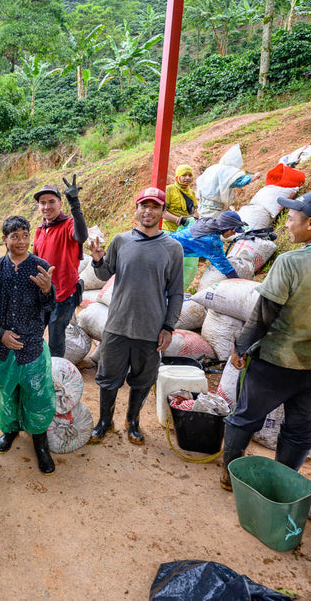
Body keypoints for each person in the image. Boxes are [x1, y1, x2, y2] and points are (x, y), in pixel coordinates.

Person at [221, 191, 311, 490]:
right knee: (300, 430)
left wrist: (241, 346)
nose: (287, 225)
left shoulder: (291, 262)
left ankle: (229, 476)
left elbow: (264, 312)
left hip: (275, 361)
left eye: (291, 219)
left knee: (245, 418)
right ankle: (281, 484)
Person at [87, 187, 184, 445]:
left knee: (142, 381)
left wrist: (168, 327)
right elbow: (104, 275)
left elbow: (176, 293)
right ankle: (105, 422)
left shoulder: (173, 248)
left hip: (150, 330)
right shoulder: (121, 241)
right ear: (137, 209)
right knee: (108, 378)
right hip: (117, 325)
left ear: (163, 211)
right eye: (144, 205)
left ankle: (133, 421)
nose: (148, 211)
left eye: (155, 206)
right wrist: (97, 260)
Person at [0, 215, 57, 474]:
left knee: (36, 395)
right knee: (5, 394)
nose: (21, 241)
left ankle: (41, 445)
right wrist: (0, 334)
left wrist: (48, 291)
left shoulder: (40, 266)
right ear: (5, 239)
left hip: (31, 347)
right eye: (15, 236)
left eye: (25, 235)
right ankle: (10, 431)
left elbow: (49, 308)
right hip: (2, 348)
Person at [32, 176, 88, 358]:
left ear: (60, 204)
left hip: (64, 294)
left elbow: (81, 236)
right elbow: (34, 260)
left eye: (51, 202)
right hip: (42, 293)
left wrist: (75, 204)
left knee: (56, 339)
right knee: (34, 335)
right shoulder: (40, 229)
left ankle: (55, 377)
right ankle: (36, 371)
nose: (46, 206)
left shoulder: (69, 224)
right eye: (42, 203)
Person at [170, 210, 246, 279]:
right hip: (167, 254)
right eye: (233, 230)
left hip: (167, 243)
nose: (234, 233)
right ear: (226, 226)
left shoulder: (207, 223)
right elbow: (223, 264)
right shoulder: (210, 240)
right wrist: (236, 281)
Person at [162, 164, 199, 232]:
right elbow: (162, 212)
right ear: (177, 177)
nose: (187, 178)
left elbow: (192, 213)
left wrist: (194, 219)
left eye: (190, 175)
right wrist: (179, 220)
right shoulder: (169, 190)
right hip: (168, 230)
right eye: (184, 175)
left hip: (183, 231)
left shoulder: (191, 193)